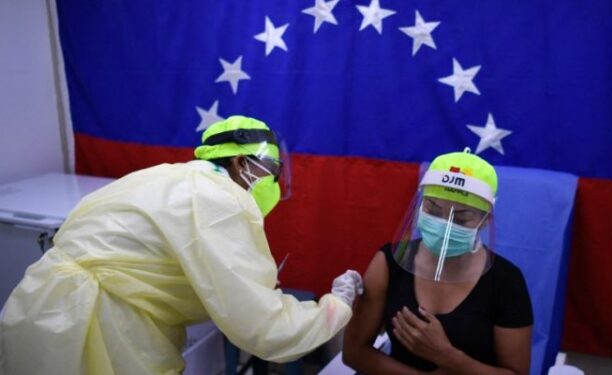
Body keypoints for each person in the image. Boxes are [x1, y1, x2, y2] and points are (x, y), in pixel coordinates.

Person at [0, 115, 363, 374]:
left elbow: (165, 265)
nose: (276, 184)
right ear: (241, 162)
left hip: (41, 308)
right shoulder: (222, 199)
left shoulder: (170, 176)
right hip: (103, 327)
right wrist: (336, 305)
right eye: (273, 172)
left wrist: (248, 290)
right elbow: (267, 330)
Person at [343, 149, 533, 374]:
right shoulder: (389, 263)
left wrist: (448, 357)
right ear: (420, 205)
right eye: (432, 209)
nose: (444, 224)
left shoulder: (506, 282)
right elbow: (354, 352)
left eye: (461, 217)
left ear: (485, 220)